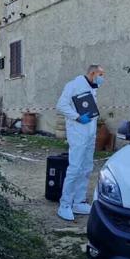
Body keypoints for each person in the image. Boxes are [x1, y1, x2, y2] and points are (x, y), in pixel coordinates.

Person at [55, 64, 106, 221]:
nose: (102, 78)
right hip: (78, 134)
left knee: (86, 168)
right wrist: (77, 117)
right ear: (92, 73)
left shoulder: (93, 88)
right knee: (75, 168)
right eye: (100, 74)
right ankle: (65, 204)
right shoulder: (73, 85)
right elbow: (61, 106)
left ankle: (78, 201)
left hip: (89, 135)